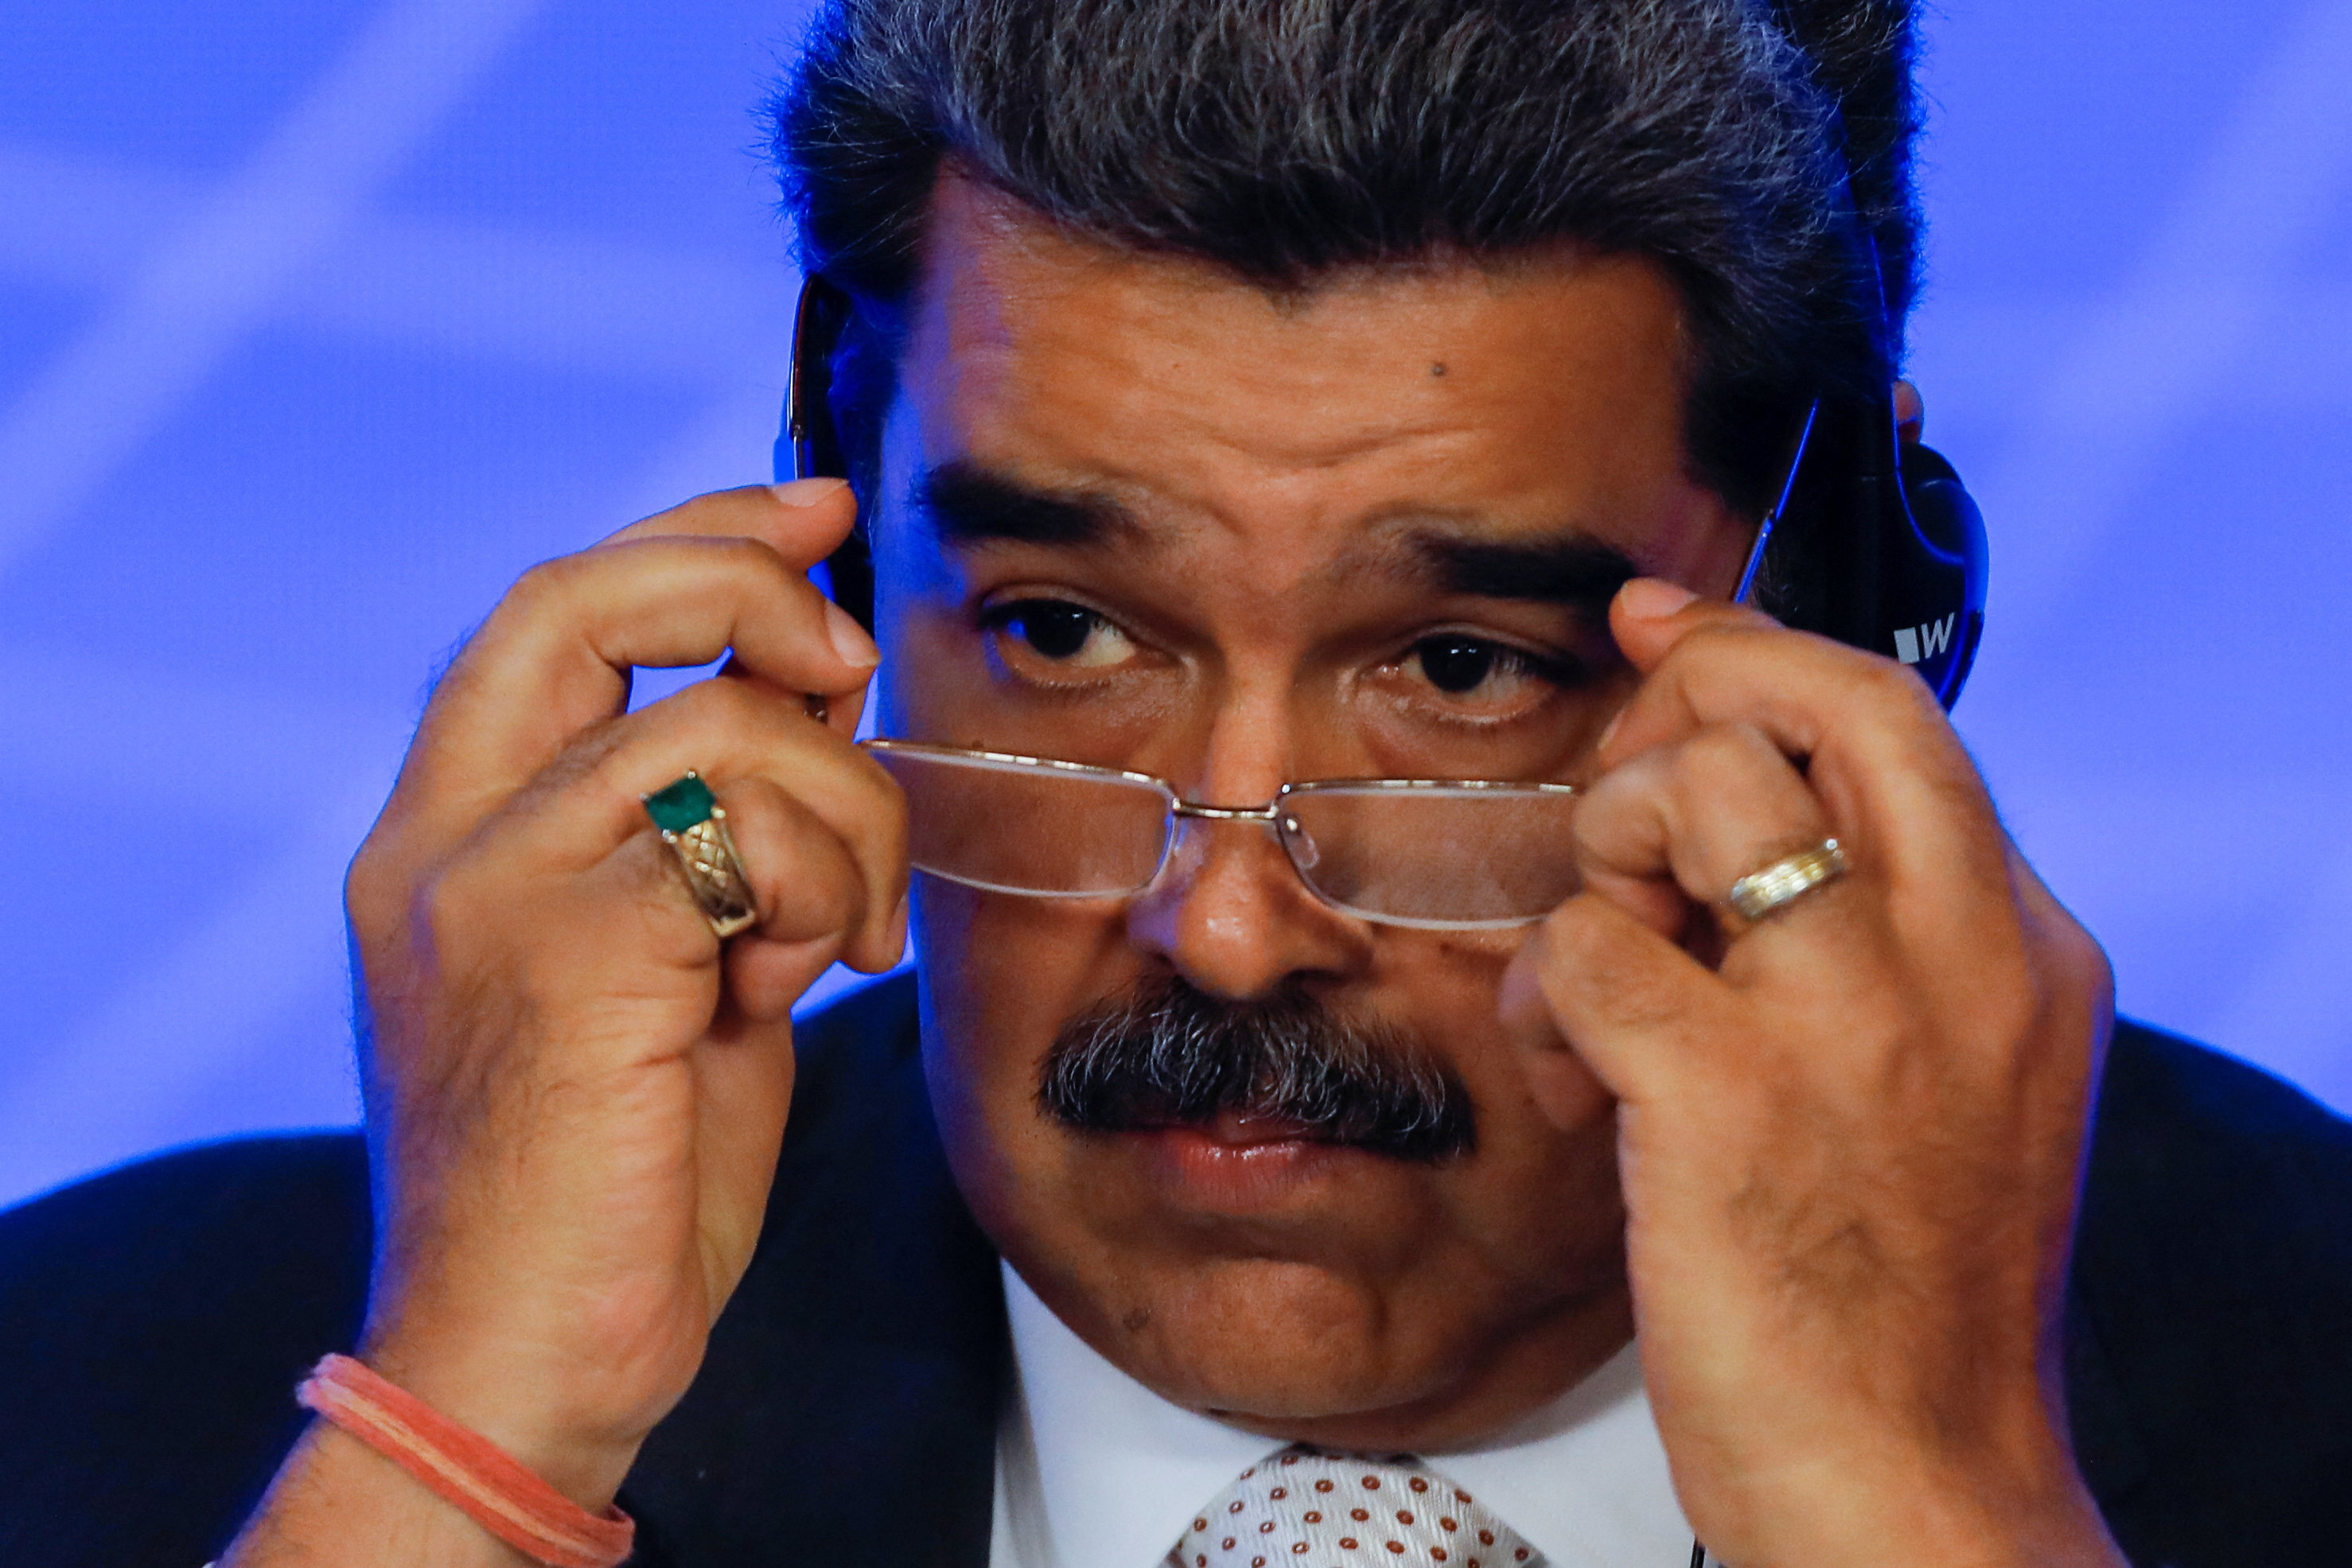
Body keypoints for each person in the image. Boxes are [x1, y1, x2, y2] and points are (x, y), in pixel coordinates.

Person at [2, 1, 2347, 1564]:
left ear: (1838, 610)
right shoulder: (112, 1387)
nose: (1222, 926)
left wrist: (1919, 1505)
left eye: (1455, 667)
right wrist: (466, 1446)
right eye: (1060, 637)